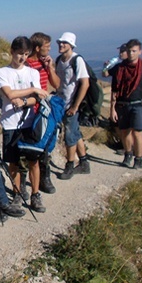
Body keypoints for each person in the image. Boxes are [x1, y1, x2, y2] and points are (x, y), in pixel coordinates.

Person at [0, 36, 49, 212]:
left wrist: (25, 101)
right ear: (12, 51)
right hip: (10, 123)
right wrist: (33, 90)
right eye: (19, 53)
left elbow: (39, 98)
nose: (22, 58)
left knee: (33, 161)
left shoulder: (32, 72)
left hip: (30, 123)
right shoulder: (2, 72)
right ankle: (18, 193)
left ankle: (35, 194)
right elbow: (9, 94)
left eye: (26, 54)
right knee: (13, 162)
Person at [109, 39, 142, 169]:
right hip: (122, 104)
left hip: (138, 104)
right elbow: (114, 89)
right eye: (129, 51)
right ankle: (128, 154)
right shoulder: (120, 68)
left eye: (134, 51)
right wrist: (112, 109)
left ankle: (138, 159)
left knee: (137, 133)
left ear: (139, 52)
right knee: (124, 132)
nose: (131, 53)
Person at [26, 32, 60, 193]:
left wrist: (50, 67)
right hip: (31, 111)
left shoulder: (43, 62)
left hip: (44, 111)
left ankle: (45, 177)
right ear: (38, 48)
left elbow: (56, 84)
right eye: (47, 46)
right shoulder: (26, 65)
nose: (50, 48)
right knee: (32, 147)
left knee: (45, 145)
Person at [54, 32, 91, 180]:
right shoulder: (59, 60)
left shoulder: (77, 60)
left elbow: (85, 83)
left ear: (71, 45)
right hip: (62, 103)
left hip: (71, 105)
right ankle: (84, 163)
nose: (61, 45)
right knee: (75, 133)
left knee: (69, 136)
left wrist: (75, 106)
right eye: (60, 42)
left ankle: (69, 165)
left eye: (64, 43)